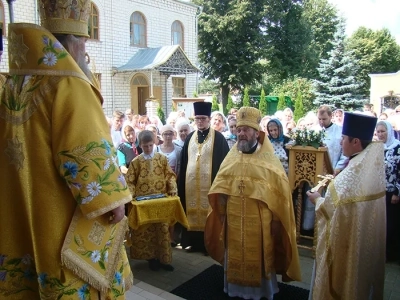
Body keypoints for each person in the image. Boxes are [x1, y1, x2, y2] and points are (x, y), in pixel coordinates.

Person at [0, 1, 133, 298]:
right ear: (74, 43)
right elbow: (89, 159)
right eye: (85, 40)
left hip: (17, 217)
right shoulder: (68, 86)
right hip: (60, 231)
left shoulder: (10, 84)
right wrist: (115, 201)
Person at [205, 107, 301, 300]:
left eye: (246, 130)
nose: (241, 133)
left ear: (257, 133)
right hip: (233, 218)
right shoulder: (232, 157)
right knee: (234, 253)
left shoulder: (269, 160)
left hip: (260, 222)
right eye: (239, 129)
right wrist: (221, 209)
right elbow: (220, 186)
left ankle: (261, 291)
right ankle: (235, 288)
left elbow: (280, 193)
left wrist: (275, 221)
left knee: (259, 255)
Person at [307, 112, 386, 300]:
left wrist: (317, 200)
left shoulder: (352, 175)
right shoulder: (367, 165)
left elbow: (332, 210)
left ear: (356, 141)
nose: (341, 142)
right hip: (363, 245)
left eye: (343, 139)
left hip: (347, 247)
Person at [178, 102, 230, 254]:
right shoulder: (189, 138)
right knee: (191, 212)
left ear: (208, 119)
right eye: (197, 119)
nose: (199, 121)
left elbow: (224, 163)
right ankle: (192, 242)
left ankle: (209, 245)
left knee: (210, 214)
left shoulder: (219, 139)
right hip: (191, 187)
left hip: (210, 186)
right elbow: (184, 161)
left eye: (202, 118)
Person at [126, 130, 177, 271]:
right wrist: (131, 195)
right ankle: (151, 259)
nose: (148, 149)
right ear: (140, 145)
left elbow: (170, 176)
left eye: (150, 145)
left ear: (154, 143)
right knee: (147, 231)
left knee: (162, 229)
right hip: (143, 203)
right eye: (145, 146)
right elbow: (129, 181)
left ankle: (163, 259)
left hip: (160, 201)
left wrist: (172, 188)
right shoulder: (136, 162)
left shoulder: (161, 159)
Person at [376, 120, 400, 261]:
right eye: (378, 132)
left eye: (382, 131)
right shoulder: (378, 147)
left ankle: (392, 254)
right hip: (380, 191)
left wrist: (397, 192)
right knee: (382, 223)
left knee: (391, 224)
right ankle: (382, 253)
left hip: (393, 193)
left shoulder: (398, 148)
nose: (380, 134)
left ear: (389, 131)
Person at [317, 105, 347, 175]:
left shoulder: (339, 131)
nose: (321, 122)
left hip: (334, 169)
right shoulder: (315, 131)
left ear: (330, 116)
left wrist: (338, 167)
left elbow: (345, 152)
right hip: (317, 169)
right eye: (319, 119)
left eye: (324, 119)